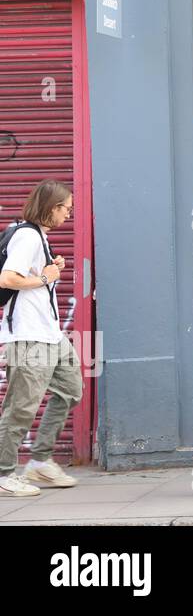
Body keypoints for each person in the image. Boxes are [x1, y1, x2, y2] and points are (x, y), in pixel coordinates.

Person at [0, 180, 82, 496]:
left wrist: (49, 268)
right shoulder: (27, 236)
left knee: (71, 388)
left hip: (50, 333)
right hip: (29, 334)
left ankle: (39, 462)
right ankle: (5, 472)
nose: (68, 214)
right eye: (66, 208)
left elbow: (30, 276)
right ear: (51, 207)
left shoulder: (39, 238)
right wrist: (46, 277)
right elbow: (8, 277)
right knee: (21, 406)